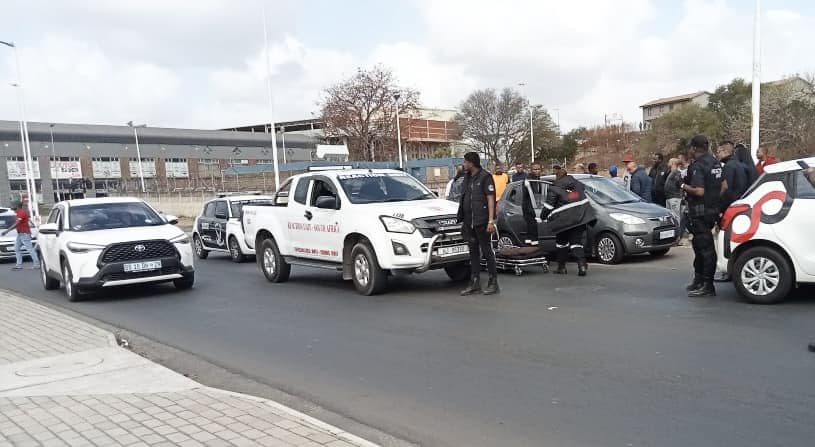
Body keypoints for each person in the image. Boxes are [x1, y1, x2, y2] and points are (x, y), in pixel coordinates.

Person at [681, 135, 723, 297]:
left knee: (705, 249)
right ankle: (699, 280)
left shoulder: (699, 165)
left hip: (700, 212)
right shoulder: (715, 162)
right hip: (711, 210)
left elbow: (699, 191)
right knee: (699, 247)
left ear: (694, 148)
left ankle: (707, 284)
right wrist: (715, 202)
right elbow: (724, 186)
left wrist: (683, 185)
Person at [457, 152, 499, 296]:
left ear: (471, 163)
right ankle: (475, 282)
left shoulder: (485, 177)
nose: (463, 164)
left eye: (465, 162)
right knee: (473, 252)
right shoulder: (467, 178)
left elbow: (490, 198)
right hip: (469, 223)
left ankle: (493, 283)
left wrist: (490, 220)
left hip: (482, 222)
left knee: (487, 252)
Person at [541, 169, 592, 276]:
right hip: (580, 217)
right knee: (576, 242)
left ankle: (562, 267)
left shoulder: (554, 188)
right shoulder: (577, 184)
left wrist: (542, 216)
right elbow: (576, 196)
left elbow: (549, 206)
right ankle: (582, 266)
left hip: (564, 220)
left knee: (561, 243)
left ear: (557, 177)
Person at [1, 198, 40, 270]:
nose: (11, 206)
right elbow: (17, 224)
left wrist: (7, 231)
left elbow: (16, 224)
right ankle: (19, 265)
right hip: (20, 234)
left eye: (13, 205)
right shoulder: (18, 213)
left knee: (30, 249)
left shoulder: (21, 212)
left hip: (24, 234)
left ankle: (37, 264)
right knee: (17, 248)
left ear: (17, 206)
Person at [717, 141, 748, 213]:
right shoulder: (742, 165)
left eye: (718, 152)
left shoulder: (729, 166)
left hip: (732, 206)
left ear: (724, 151)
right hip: (743, 203)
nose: (717, 154)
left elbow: (726, 189)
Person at [521, 162, 544, 243]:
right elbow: (528, 195)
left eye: (538, 169)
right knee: (532, 229)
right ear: (531, 170)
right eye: (535, 169)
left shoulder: (540, 179)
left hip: (537, 206)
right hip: (529, 208)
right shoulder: (528, 179)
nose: (537, 171)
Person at [664, 157, 684, 224]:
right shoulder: (671, 172)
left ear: (673, 163)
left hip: (674, 197)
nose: (668, 163)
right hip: (669, 197)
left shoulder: (676, 172)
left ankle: (677, 229)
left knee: (675, 215)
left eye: (669, 162)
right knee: (670, 215)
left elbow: (679, 183)